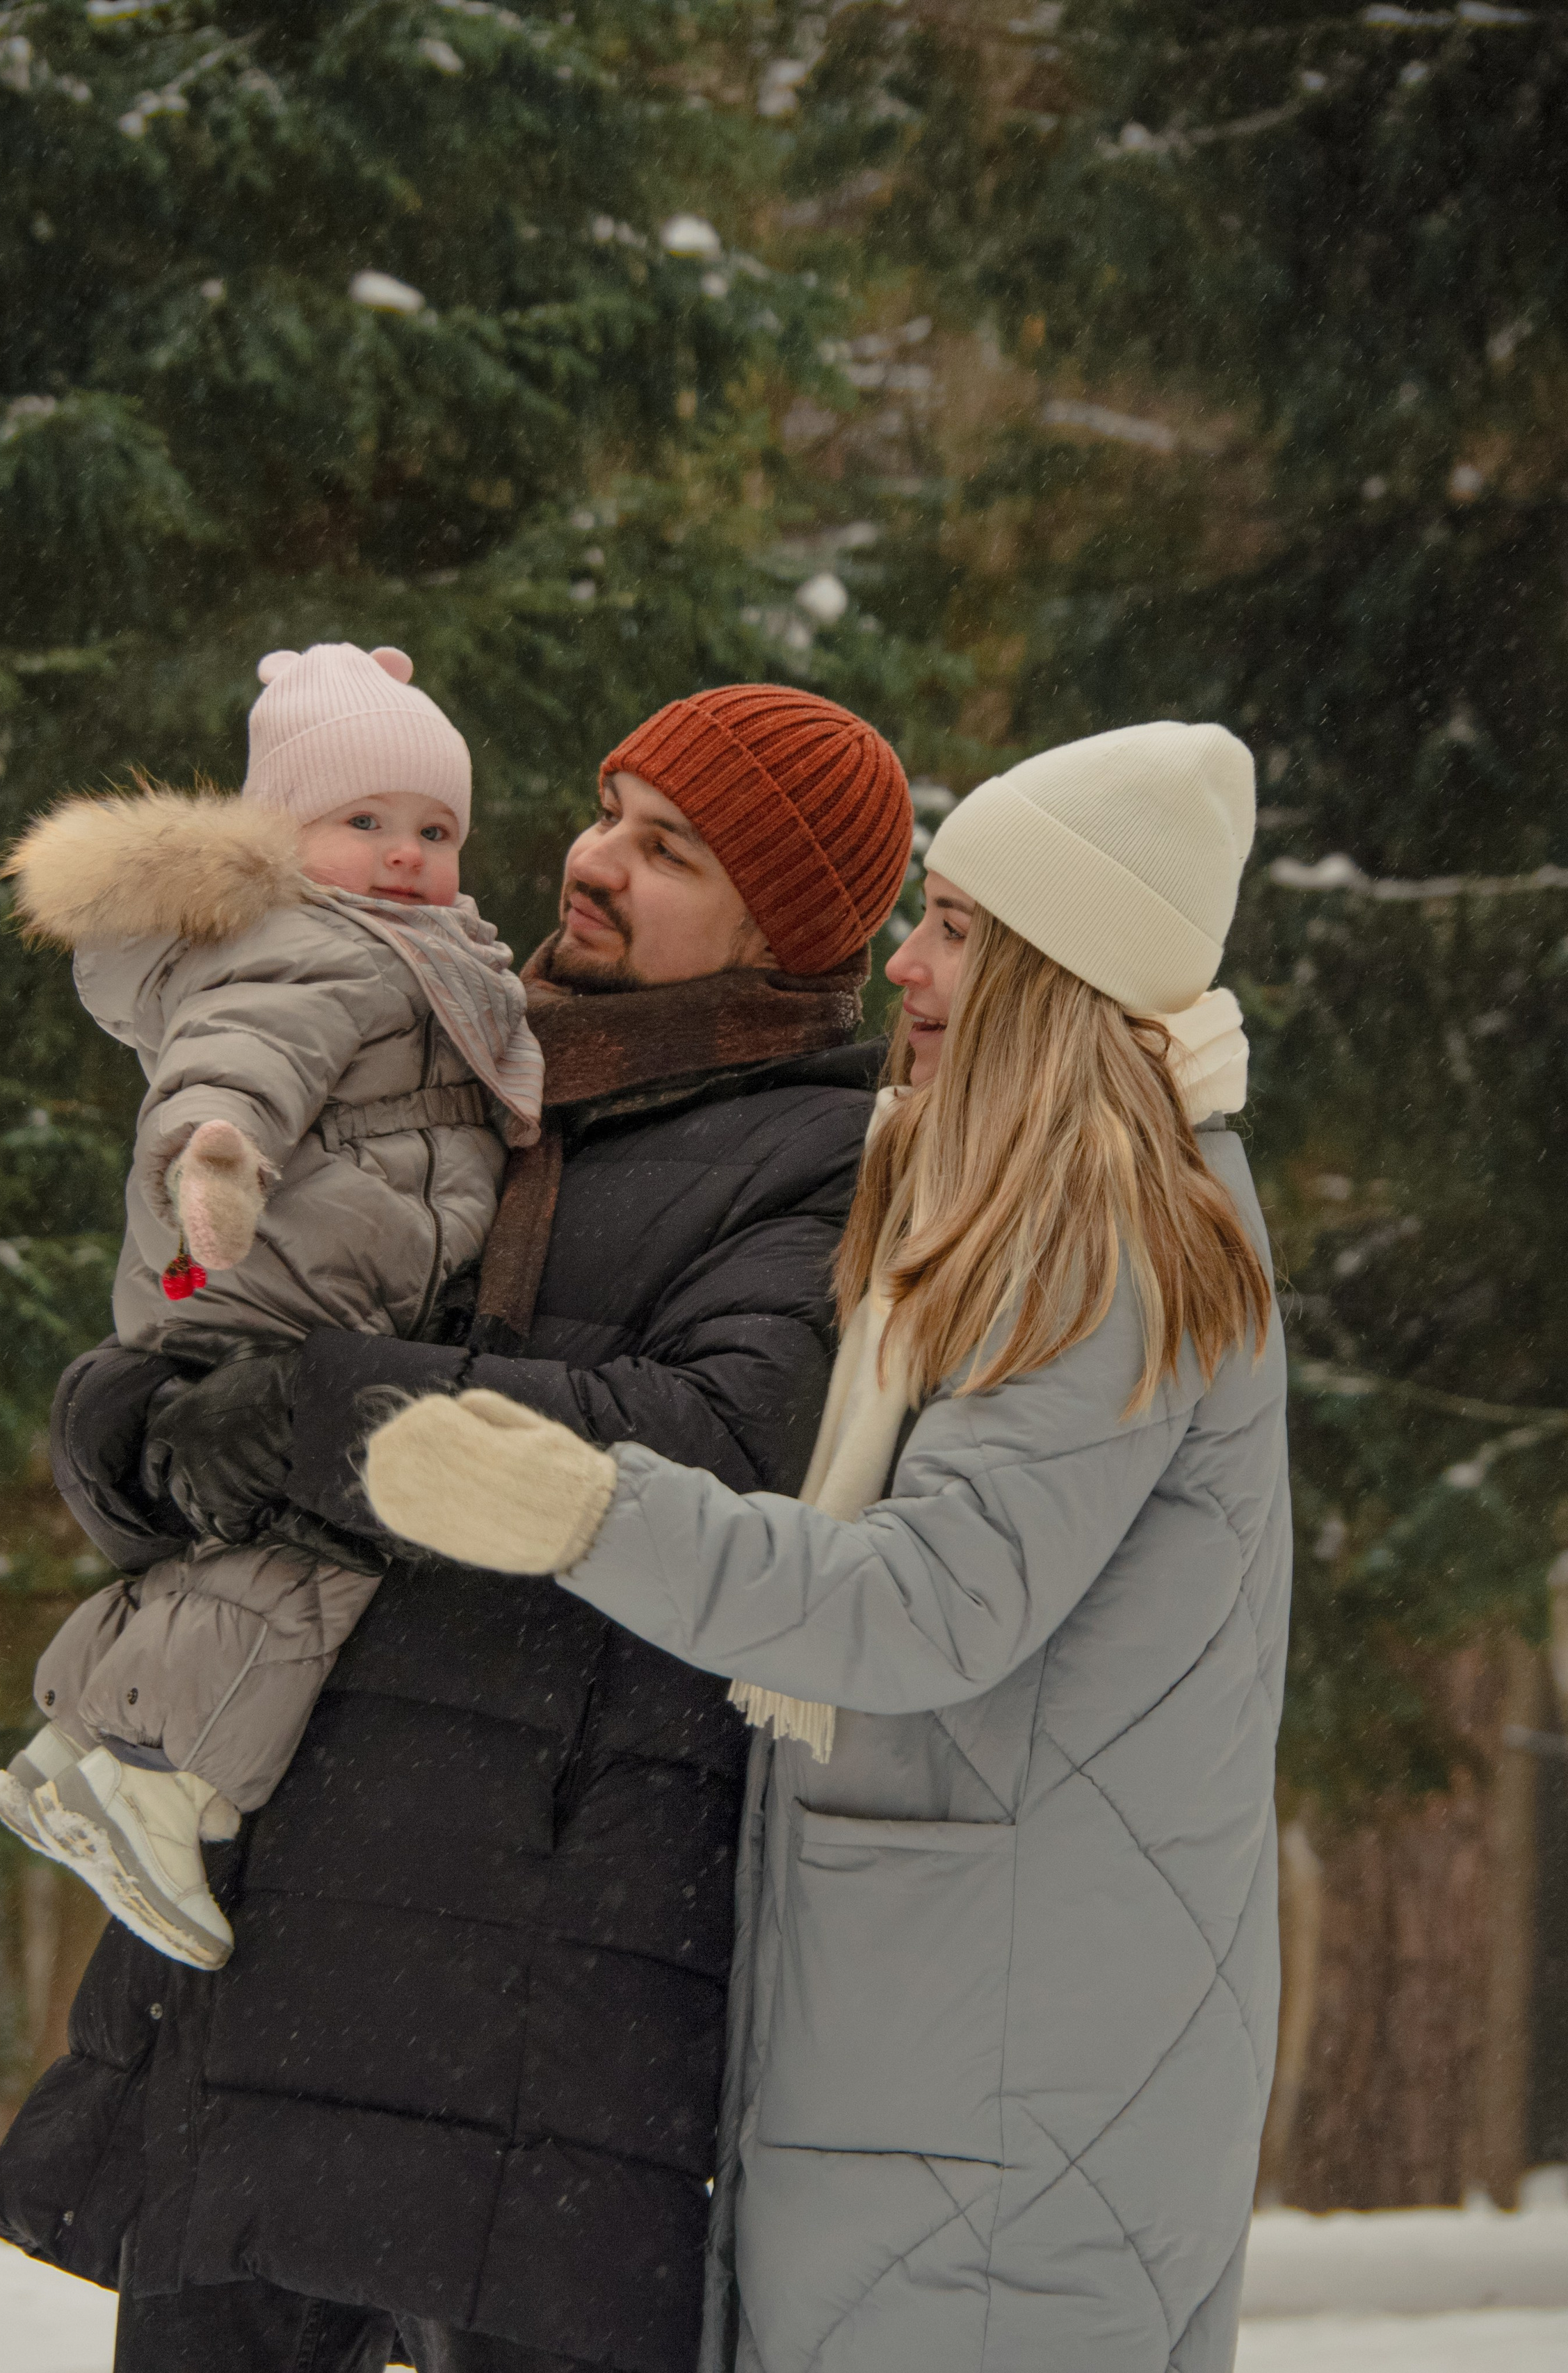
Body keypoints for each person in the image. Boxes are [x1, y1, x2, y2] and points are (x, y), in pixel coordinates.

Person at [0, 685, 916, 2373]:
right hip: (276, 1927)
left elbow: (706, 1441)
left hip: (540, 1969)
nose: (598, 858)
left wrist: (316, 1410)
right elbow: (204, 1329)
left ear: (782, 926)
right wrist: (128, 1432)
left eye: (669, 847)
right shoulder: (447, 1044)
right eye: (609, 808)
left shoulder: (823, 1154)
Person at [364, 720, 1293, 2373]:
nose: (907, 964)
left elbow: (928, 1606)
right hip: (961, 2057)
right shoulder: (1015, 1199)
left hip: (1001, 2094)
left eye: (952, 931)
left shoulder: (1105, 1230)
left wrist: (589, 1506)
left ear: (1049, 973)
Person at [0, 643, 542, 1972]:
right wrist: (220, 1153)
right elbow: (239, 1057)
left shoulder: (413, 947)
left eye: (434, 829)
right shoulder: (313, 942)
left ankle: (76, 1751)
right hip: (263, 1273)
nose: (405, 853)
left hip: (294, 1280)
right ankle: (166, 1787)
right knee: (316, 1555)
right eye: (365, 823)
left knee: (227, 1545)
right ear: (284, 835)